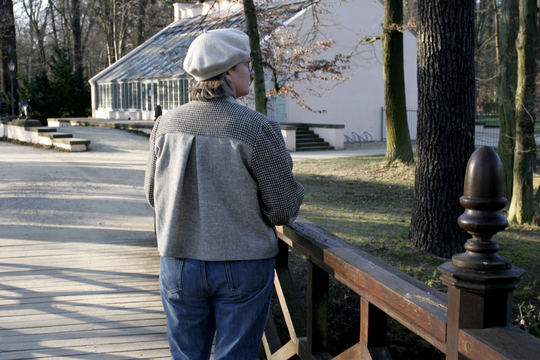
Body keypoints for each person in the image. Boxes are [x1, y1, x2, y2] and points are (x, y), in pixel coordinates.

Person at [144, 28, 304, 360]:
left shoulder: (165, 126)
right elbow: (283, 208)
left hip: (178, 263)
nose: (250, 71)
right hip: (241, 265)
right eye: (246, 64)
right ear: (229, 72)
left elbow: (152, 196)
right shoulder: (255, 127)